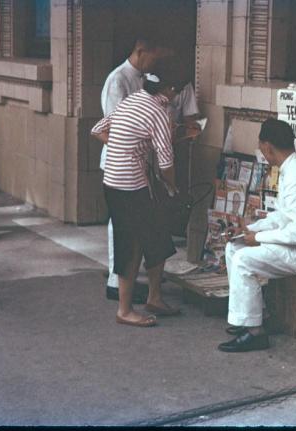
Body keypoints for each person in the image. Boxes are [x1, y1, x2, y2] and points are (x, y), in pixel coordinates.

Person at [218, 119, 296, 352]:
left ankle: (255, 332)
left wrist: (257, 239)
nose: (262, 153)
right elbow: (282, 216)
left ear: (268, 147)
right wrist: (251, 230)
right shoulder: (292, 170)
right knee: (234, 248)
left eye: (261, 148)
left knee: (242, 260)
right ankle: (253, 317)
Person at [91, 70, 182, 327]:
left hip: (117, 181)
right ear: (169, 90)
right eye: (177, 91)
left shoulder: (131, 101)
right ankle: (124, 310)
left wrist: (123, 146)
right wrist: (172, 186)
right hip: (128, 187)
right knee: (130, 246)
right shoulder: (158, 113)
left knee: (157, 236)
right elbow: (166, 161)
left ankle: (154, 298)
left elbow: (97, 129)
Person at [99, 38, 173, 303]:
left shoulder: (143, 85)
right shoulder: (118, 80)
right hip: (122, 168)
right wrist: (131, 148)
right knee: (122, 228)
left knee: (141, 228)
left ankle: (144, 289)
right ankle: (115, 283)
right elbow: (108, 128)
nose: (155, 65)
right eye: (154, 58)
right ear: (141, 50)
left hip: (141, 168)